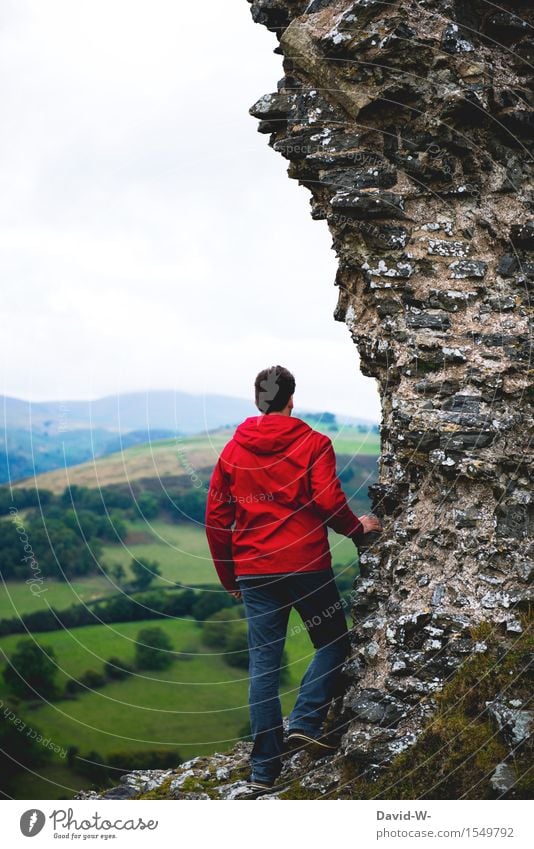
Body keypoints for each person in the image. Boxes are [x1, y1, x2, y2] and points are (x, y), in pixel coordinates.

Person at [205, 365, 382, 796]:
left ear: (256, 401)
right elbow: (326, 500)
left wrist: (230, 576)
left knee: (263, 667)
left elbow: (215, 519)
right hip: (306, 567)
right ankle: (304, 722)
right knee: (334, 643)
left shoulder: (232, 452)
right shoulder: (313, 443)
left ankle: (263, 771)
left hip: (253, 572)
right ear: (291, 400)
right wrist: (358, 530)